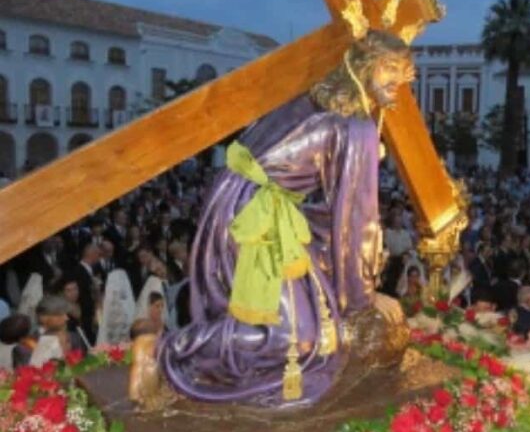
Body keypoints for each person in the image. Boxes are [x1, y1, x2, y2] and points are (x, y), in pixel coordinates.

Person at [158, 29, 416, 408]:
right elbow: (356, 221)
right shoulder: (355, 125)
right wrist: (364, 297)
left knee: (298, 315)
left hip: (237, 202)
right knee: (297, 339)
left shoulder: (314, 99)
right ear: (362, 65)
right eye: (389, 67)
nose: (398, 80)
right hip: (255, 216)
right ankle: (166, 350)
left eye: (404, 71)